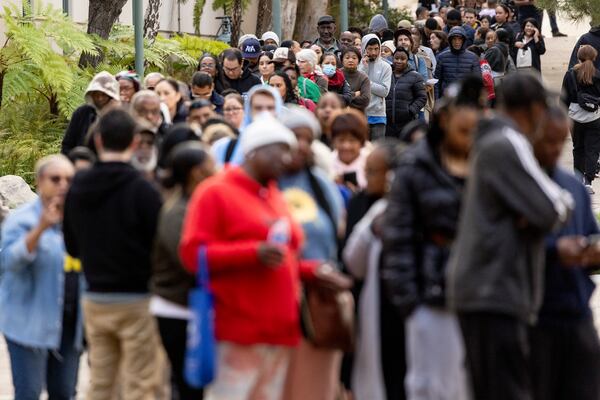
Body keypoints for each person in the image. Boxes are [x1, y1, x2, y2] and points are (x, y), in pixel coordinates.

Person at [446, 73, 575, 400]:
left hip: (484, 289)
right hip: (495, 289)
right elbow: (556, 206)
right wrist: (538, 213)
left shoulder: (492, 141)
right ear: (532, 109)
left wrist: (531, 213)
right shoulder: (508, 142)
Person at [179, 115, 314, 400]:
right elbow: (193, 255)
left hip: (280, 332)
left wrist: (314, 271)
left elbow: (286, 255)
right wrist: (252, 253)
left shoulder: (275, 194)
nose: (287, 159)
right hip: (238, 332)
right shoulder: (215, 192)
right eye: (281, 150)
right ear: (255, 151)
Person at [382, 77, 483, 400]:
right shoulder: (415, 168)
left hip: (481, 298)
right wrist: (409, 301)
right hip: (430, 298)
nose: (468, 141)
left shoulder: (488, 166)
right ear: (443, 121)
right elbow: (398, 237)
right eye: (462, 132)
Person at [63, 109, 164, 400]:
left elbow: (72, 247)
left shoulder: (78, 186)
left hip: (95, 298)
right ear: (134, 142)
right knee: (140, 385)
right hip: (138, 299)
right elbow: (159, 245)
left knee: (101, 383)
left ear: (97, 140)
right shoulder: (144, 190)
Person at [529, 105, 600, 400]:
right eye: (549, 141)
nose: (555, 150)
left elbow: (590, 235)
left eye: (561, 142)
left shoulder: (573, 185)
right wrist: (553, 250)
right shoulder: (518, 185)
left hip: (577, 313)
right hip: (536, 316)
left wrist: (594, 252)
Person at [278, 107, 348, 400]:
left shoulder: (322, 186)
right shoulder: (264, 183)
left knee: (317, 384)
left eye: (308, 139)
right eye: (295, 137)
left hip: (319, 300)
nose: (302, 145)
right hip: (278, 301)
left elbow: (338, 234)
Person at [0, 155, 82, 400]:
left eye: (69, 179)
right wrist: (41, 229)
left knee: (64, 393)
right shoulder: (20, 220)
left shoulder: (81, 219)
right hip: (27, 322)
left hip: (67, 323)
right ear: (39, 182)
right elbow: (10, 262)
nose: (63, 185)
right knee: (29, 393)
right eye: (55, 179)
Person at [151, 142, 215, 400]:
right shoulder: (176, 211)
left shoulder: (197, 203)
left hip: (196, 306)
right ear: (196, 172)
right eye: (211, 163)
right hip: (177, 309)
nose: (216, 168)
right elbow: (190, 261)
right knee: (188, 384)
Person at [343, 140, 405, 400]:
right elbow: (352, 261)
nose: (366, 179)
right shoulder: (362, 205)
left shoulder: (412, 206)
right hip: (373, 306)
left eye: (372, 172)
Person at [561, 44, 600, 193]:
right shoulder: (597, 75)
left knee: (578, 149)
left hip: (574, 117)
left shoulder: (570, 74)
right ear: (594, 57)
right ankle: (588, 182)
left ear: (578, 57)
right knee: (592, 150)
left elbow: (563, 98)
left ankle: (577, 180)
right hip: (594, 118)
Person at [212, 85, 283, 166]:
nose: (264, 113)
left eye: (270, 108)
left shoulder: (289, 147)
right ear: (249, 110)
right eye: (258, 108)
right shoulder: (224, 148)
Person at [61, 71, 120, 155]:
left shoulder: (120, 115)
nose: (100, 98)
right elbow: (67, 144)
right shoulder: (81, 113)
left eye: (104, 95)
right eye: (96, 94)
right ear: (91, 94)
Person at [385, 47, 428, 139]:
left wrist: (411, 110)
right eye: (396, 58)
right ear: (393, 59)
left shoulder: (415, 76)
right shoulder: (386, 74)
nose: (399, 61)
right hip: (387, 124)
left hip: (406, 123)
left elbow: (422, 97)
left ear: (407, 60)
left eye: (402, 59)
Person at [358, 34, 392, 141]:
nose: (373, 53)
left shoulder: (386, 66)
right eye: (370, 49)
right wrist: (363, 66)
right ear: (364, 48)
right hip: (360, 114)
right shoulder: (358, 65)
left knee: (377, 149)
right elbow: (357, 85)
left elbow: (385, 91)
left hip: (378, 115)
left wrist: (367, 83)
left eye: (376, 49)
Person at [434, 26, 481, 98]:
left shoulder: (473, 58)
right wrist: (437, 100)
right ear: (450, 40)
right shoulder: (442, 57)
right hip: (447, 98)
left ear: (463, 40)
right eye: (454, 39)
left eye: (459, 39)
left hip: (466, 99)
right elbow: (437, 81)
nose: (457, 42)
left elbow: (477, 82)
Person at [331, 110, 371, 190]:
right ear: (333, 141)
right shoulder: (327, 163)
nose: (346, 146)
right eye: (341, 140)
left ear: (361, 142)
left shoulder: (370, 164)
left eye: (352, 140)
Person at [341, 47, 371, 112]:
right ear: (342, 60)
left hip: (358, 115)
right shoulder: (336, 75)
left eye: (354, 58)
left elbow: (365, 100)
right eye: (347, 58)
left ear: (359, 61)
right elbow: (332, 96)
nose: (351, 60)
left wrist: (343, 98)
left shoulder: (363, 78)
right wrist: (354, 94)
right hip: (338, 115)